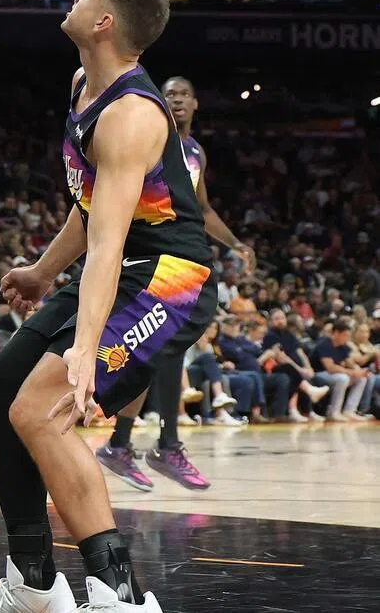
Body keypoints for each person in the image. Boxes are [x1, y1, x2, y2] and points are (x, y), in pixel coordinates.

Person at [0, 0, 218, 613]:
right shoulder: (83, 83)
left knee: (40, 412)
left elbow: (108, 246)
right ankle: (34, 586)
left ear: (103, 22)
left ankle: (123, 596)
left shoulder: (132, 116)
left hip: (167, 282)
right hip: (123, 269)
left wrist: (81, 349)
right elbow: (91, 210)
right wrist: (45, 270)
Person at [96, 74, 254, 491]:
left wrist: (236, 243)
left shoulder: (196, 151)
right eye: (169, 95)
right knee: (156, 350)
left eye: (184, 94)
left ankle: (128, 443)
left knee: (163, 351)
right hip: (151, 256)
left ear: (196, 103)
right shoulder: (152, 137)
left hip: (182, 260)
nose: (177, 100)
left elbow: (202, 209)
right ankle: (152, 444)